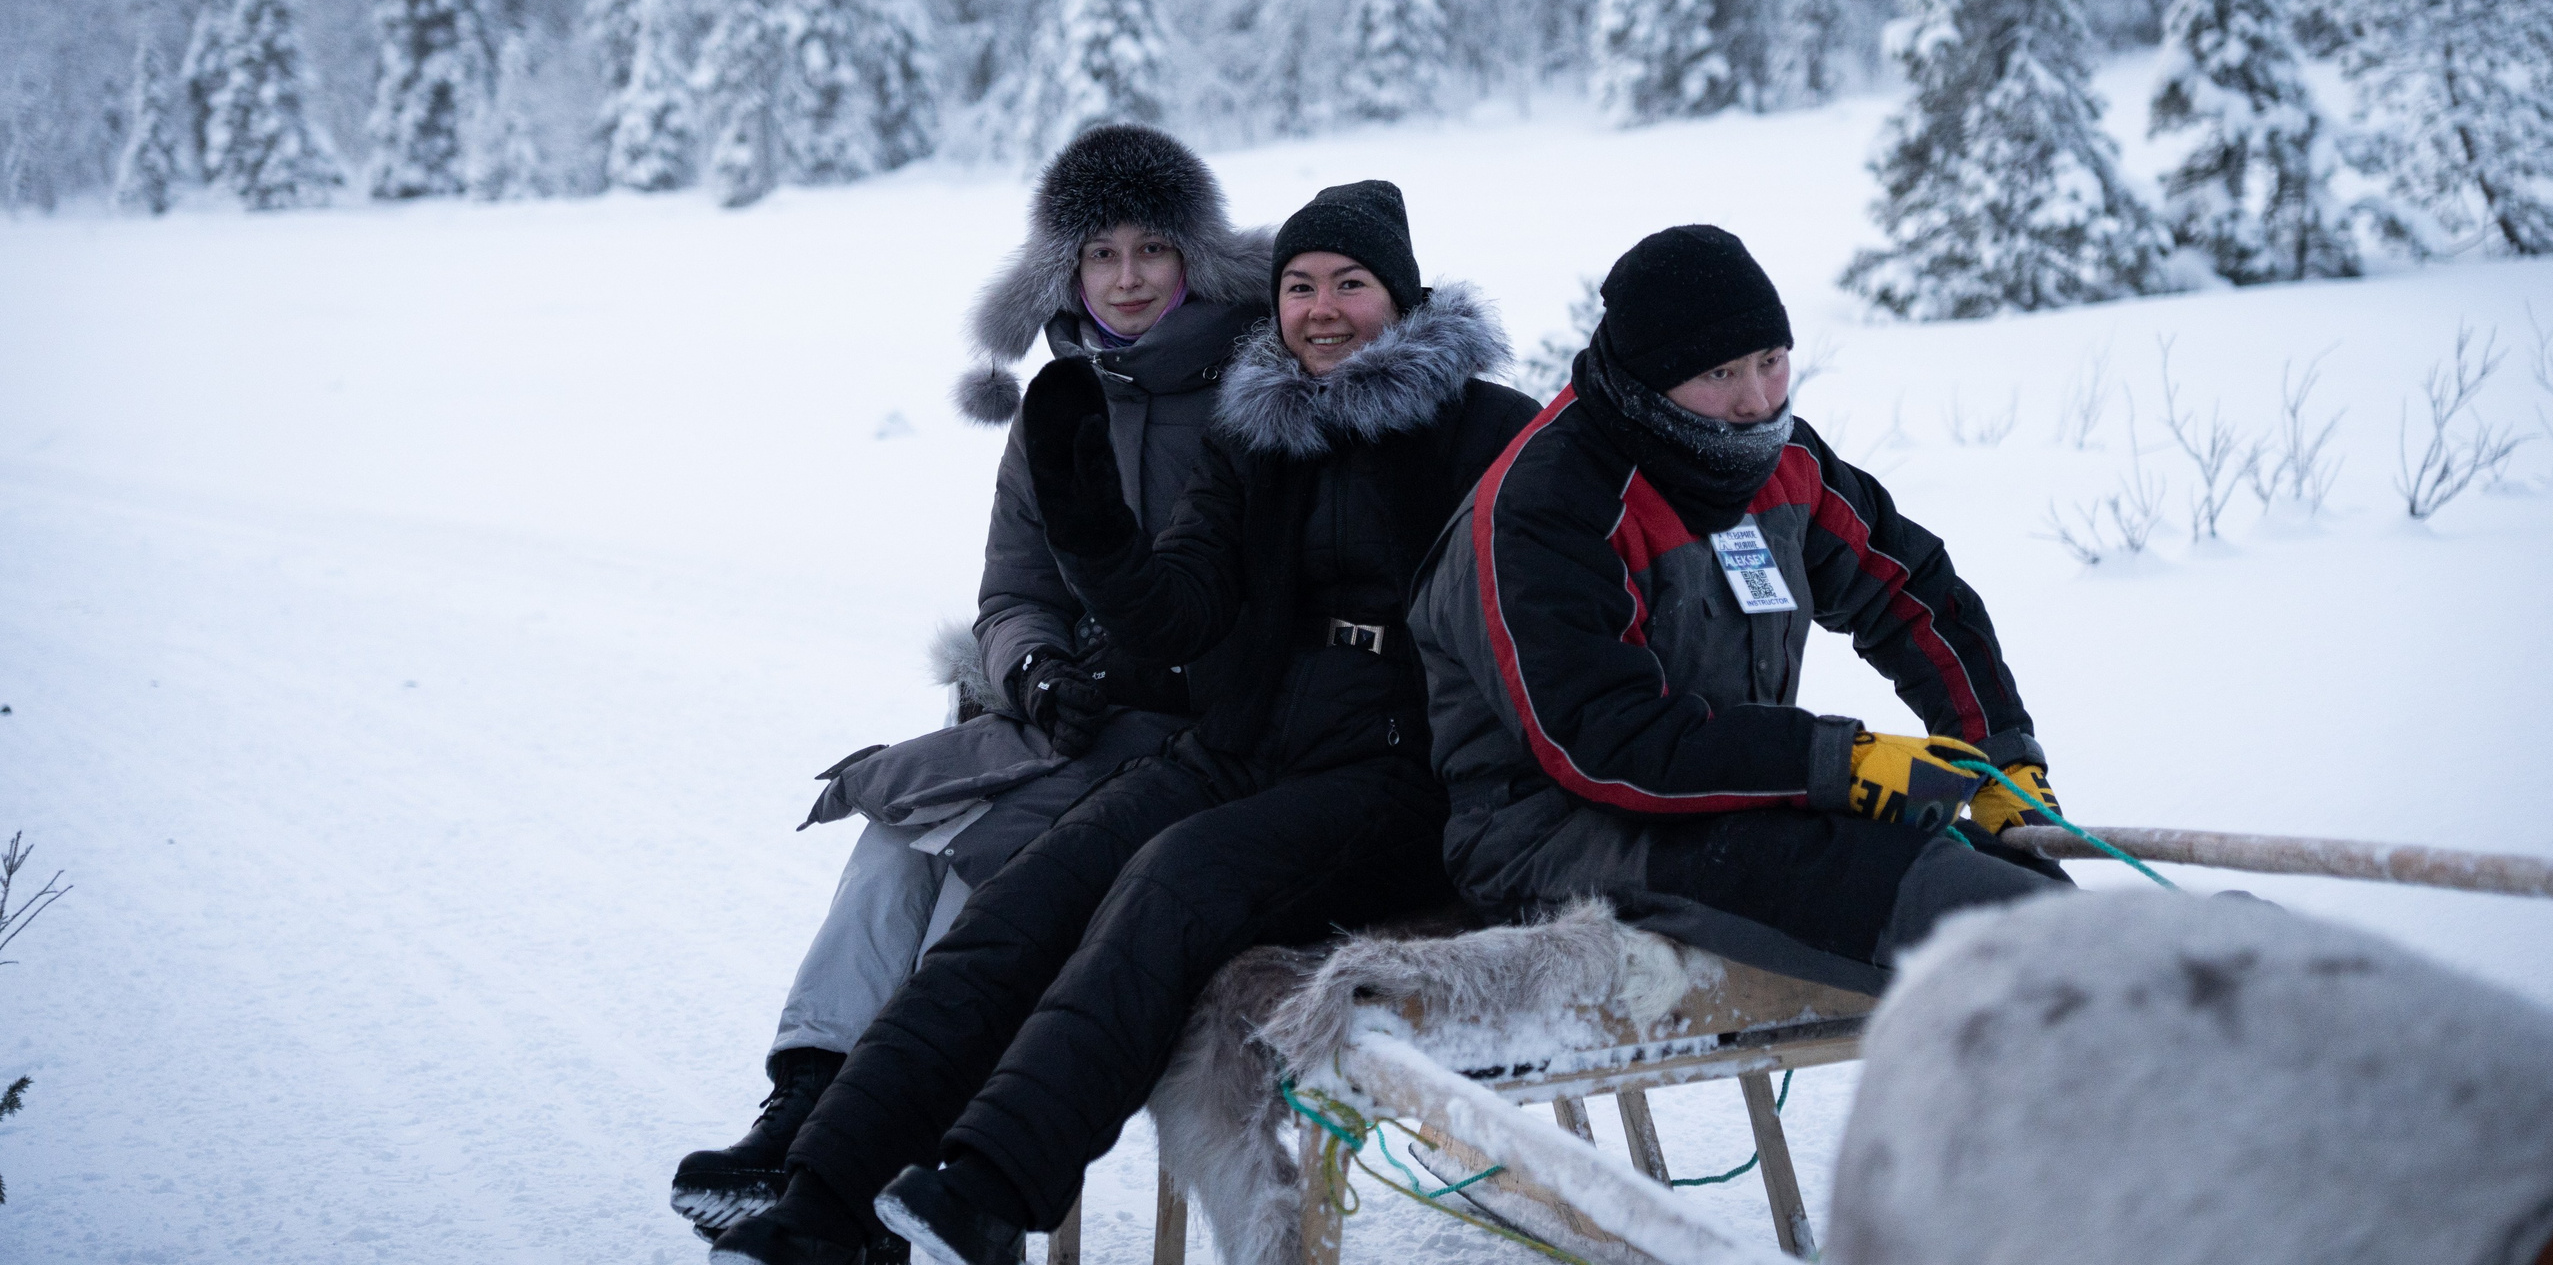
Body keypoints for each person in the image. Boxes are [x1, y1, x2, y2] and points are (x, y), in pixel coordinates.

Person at [708, 181, 1540, 1265]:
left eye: (1350, 284)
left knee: (1170, 882)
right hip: (1245, 745)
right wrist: (1092, 526)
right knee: (1030, 897)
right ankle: (822, 1197)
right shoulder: (1260, 431)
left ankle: (992, 1183)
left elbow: (1536, 625)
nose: (1321, 309)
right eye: (1298, 287)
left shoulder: (1488, 432)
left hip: (1397, 775)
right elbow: (1176, 609)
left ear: (1405, 297)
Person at [671, 124, 1272, 1239]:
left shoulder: (1252, 387)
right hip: (1068, 716)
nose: (1129, 277)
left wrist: (1139, 663)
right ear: (1067, 271)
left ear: (1194, 257)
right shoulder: (1058, 398)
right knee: (897, 826)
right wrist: (1032, 668)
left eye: (1151, 248)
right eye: (1101, 255)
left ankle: (892, 1146)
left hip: (1191, 733)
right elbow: (1013, 590)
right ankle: (806, 1098)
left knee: (977, 870)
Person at [1408, 224, 2070, 999]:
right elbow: (1600, 740)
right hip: (1553, 835)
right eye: (1719, 372)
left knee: (2005, 874)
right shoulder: (1550, 505)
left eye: (1770, 361)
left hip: (1728, 798)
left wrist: (2000, 750)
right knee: (1938, 904)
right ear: (1649, 379)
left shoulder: (1777, 458)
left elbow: (1910, 591)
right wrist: (1838, 764)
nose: (1756, 400)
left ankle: (2163, 984)